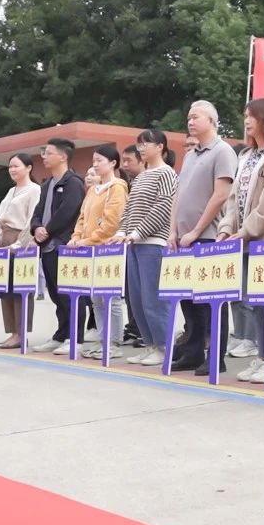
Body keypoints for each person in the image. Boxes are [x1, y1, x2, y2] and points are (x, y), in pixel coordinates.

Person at [216, 99, 264, 384]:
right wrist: (227, 228)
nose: (247, 121)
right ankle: (262, 357)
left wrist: (247, 229)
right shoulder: (247, 154)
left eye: (252, 116)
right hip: (246, 239)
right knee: (255, 302)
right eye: (245, 116)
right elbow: (233, 198)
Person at [170, 100, 238, 376]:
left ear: (212, 121)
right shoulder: (190, 155)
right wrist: (173, 231)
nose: (190, 121)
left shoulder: (222, 151)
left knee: (211, 301)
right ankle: (193, 351)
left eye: (195, 117)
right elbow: (178, 194)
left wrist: (197, 231)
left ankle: (216, 357)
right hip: (183, 239)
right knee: (188, 301)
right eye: (188, 117)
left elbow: (221, 195)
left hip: (208, 238)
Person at [112, 130, 178, 367]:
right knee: (138, 300)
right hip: (134, 244)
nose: (141, 148)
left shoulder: (167, 173)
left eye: (146, 144)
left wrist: (138, 232)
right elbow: (129, 209)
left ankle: (163, 346)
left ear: (160, 147)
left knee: (154, 300)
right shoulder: (140, 177)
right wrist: (122, 232)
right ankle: (150, 344)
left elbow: (163, 207)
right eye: (139, 144)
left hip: (153, 243)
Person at [67, 146, 129, 360]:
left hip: (108, 250)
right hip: (89, 250)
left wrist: (87, 240)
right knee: (96, 299)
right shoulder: (93, 189)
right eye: (93, 160)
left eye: (99, 160)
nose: (95, 164)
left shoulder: (117, 188)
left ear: (113, 163)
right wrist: (76, 237)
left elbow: (112, 223)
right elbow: (82, 217)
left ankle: (114, 342)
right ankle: (103, 341)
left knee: (111, 298)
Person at [30, 138, 87, 353]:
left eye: (48, 152)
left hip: (64, 246)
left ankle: (75, 338)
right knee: (55, 294)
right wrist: (36, 228)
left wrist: (47, 230)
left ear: (63, 157)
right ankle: (61, 334)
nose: (44, 156)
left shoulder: (73, 183)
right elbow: (37, 212)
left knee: (70, 294)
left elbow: (68, 212)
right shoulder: (47, 185)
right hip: (47, 246)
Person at [0, 154, 41, 348]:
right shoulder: (11, 191)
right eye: (10, 167)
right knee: (5, 289)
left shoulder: (34, 190)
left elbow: (31, 220)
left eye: (16, 166)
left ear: (28, 167)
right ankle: (12, 332)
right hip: (5, 240)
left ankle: (21, 333)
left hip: (21, 241)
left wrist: (19, 244)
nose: (12, 170)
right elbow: (1, 220)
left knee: (21, 288)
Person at [118, 144, 145, 347]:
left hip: (146, 242)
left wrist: (136, 233)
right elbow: (127, 213)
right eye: (123, 160)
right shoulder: (132, 183)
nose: (125, 165)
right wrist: (122, 232)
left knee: (146, 294)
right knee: (131, 292)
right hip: (129, 242)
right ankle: (135, 328)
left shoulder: (157, 178)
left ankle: (149, 335)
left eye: (129, 161)